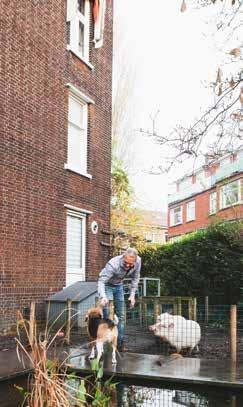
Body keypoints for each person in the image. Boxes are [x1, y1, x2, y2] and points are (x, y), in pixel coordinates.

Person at [97, 247, 141, 351]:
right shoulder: (113, 264)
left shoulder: (138, 261)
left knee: (121, 316)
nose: (127, 266)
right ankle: (106, 344)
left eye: (130, 264)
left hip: (119, 285)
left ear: (135, 260)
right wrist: (103, 296)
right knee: (108, 315)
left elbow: (135, 278)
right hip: (107, 285)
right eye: (126, 263)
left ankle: (119, 345)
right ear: (123, 257)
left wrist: (132, 295)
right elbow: (101, 281)